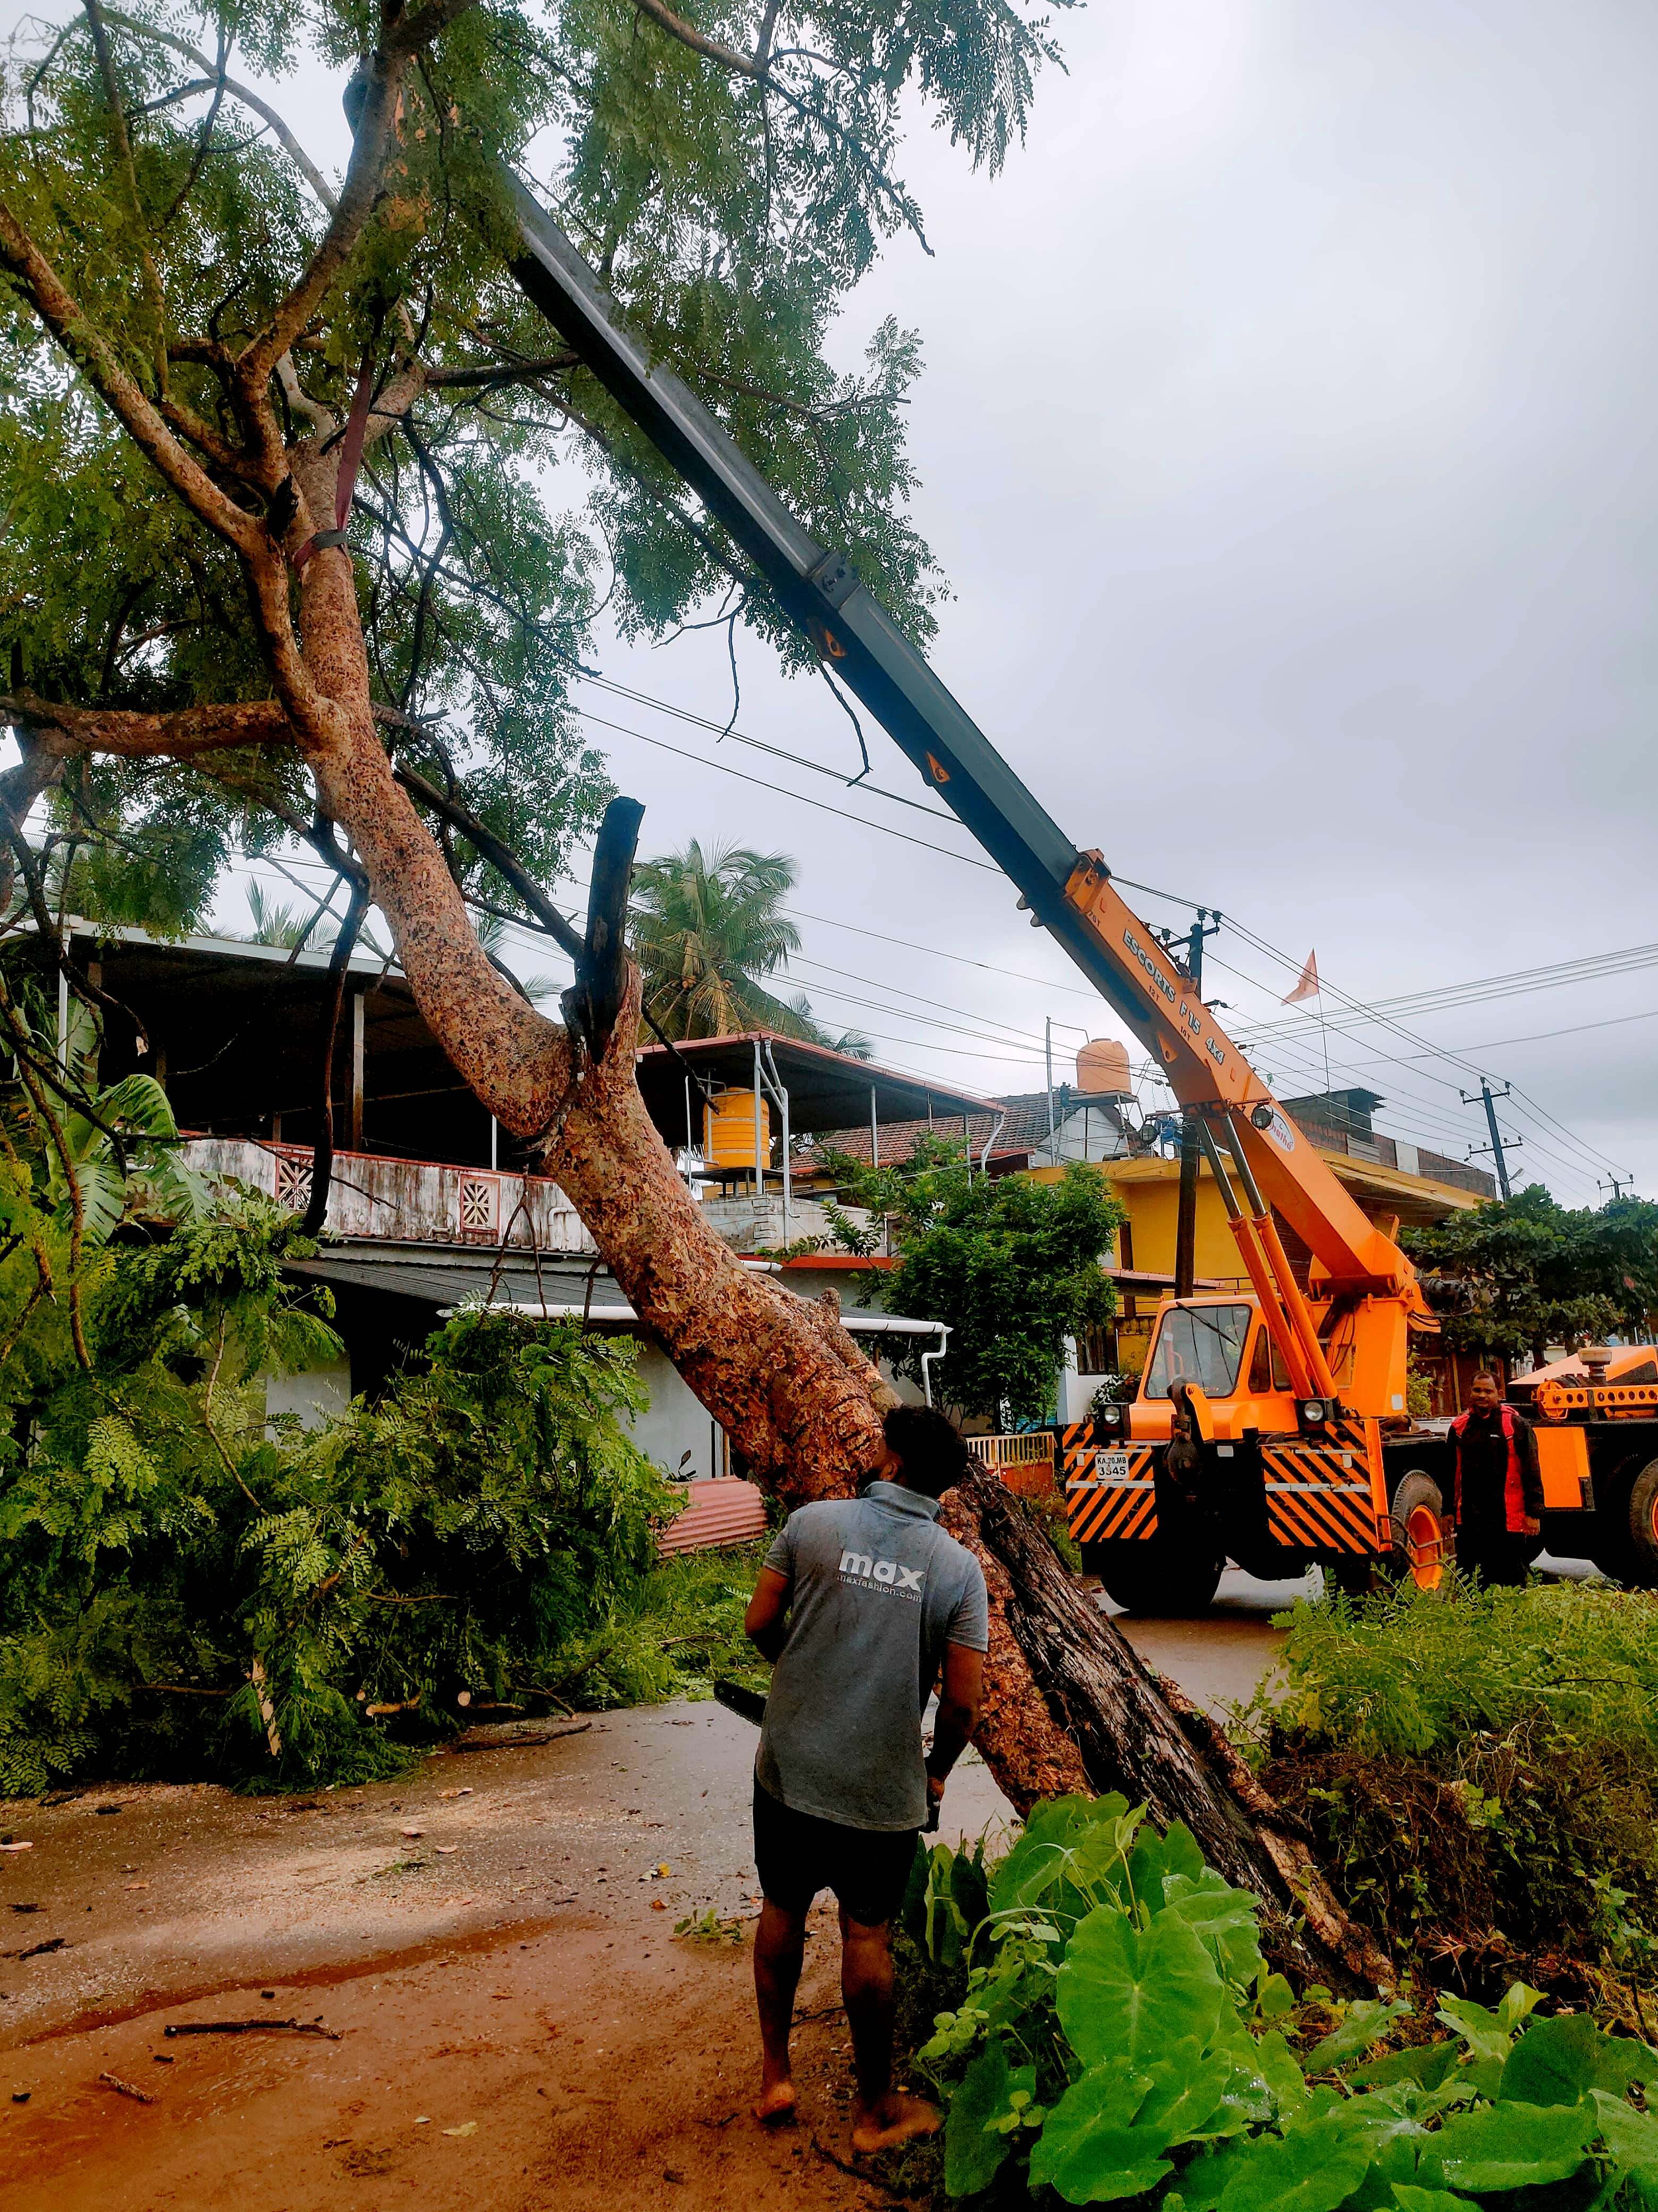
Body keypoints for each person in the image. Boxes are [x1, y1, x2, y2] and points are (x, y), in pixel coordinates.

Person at [742, 1402, 988, 2151]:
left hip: (788, 1768)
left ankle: (775, 2077)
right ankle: (873, 2110)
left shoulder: (812, 1524)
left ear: (891, 1463)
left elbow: (757, 1623)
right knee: (866, 1932)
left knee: (782, 1907)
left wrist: (795, 1673)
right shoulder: (955, 1570)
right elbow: (962, 1704)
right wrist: (935, 1775)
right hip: (881, 1787)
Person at [1445, 1372, 1543, 1587]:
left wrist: (1534, 1513)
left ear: (1499, 1394)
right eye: (1477, 1390)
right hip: (1471, 1522)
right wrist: (1448, 1513)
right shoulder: (1459, 1428)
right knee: (1471, 1583)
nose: (1482, 1395)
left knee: (1511, 1582)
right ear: (1470, 1392)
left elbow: (1532, 1471)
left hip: (1507, 1520)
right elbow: (1450, 1472)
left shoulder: (1515, 1426)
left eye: (1488, 1391)